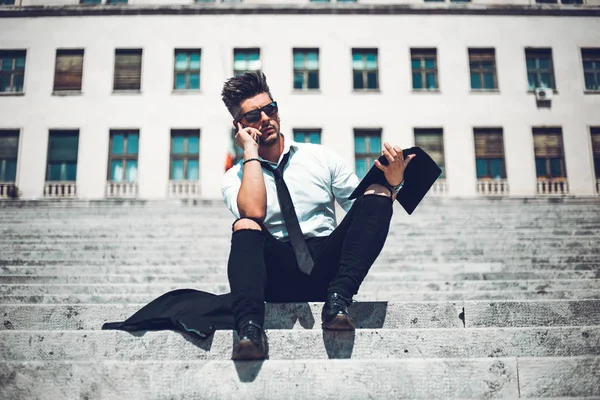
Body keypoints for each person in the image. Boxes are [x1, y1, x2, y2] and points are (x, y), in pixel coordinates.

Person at [221, 70, 415, 360]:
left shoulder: (320, 157)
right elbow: (253, 212)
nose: (265, 118)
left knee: (377, 192)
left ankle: (338, 302)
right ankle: (249, 329)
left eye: (270, 108)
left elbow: (364, 211)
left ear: (277, 110)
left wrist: (393, 182)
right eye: (253, 116)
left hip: (327, 266)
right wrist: (250, 152)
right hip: (275, 274)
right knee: (246, 223)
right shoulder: (235, 177)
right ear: (239, 126)